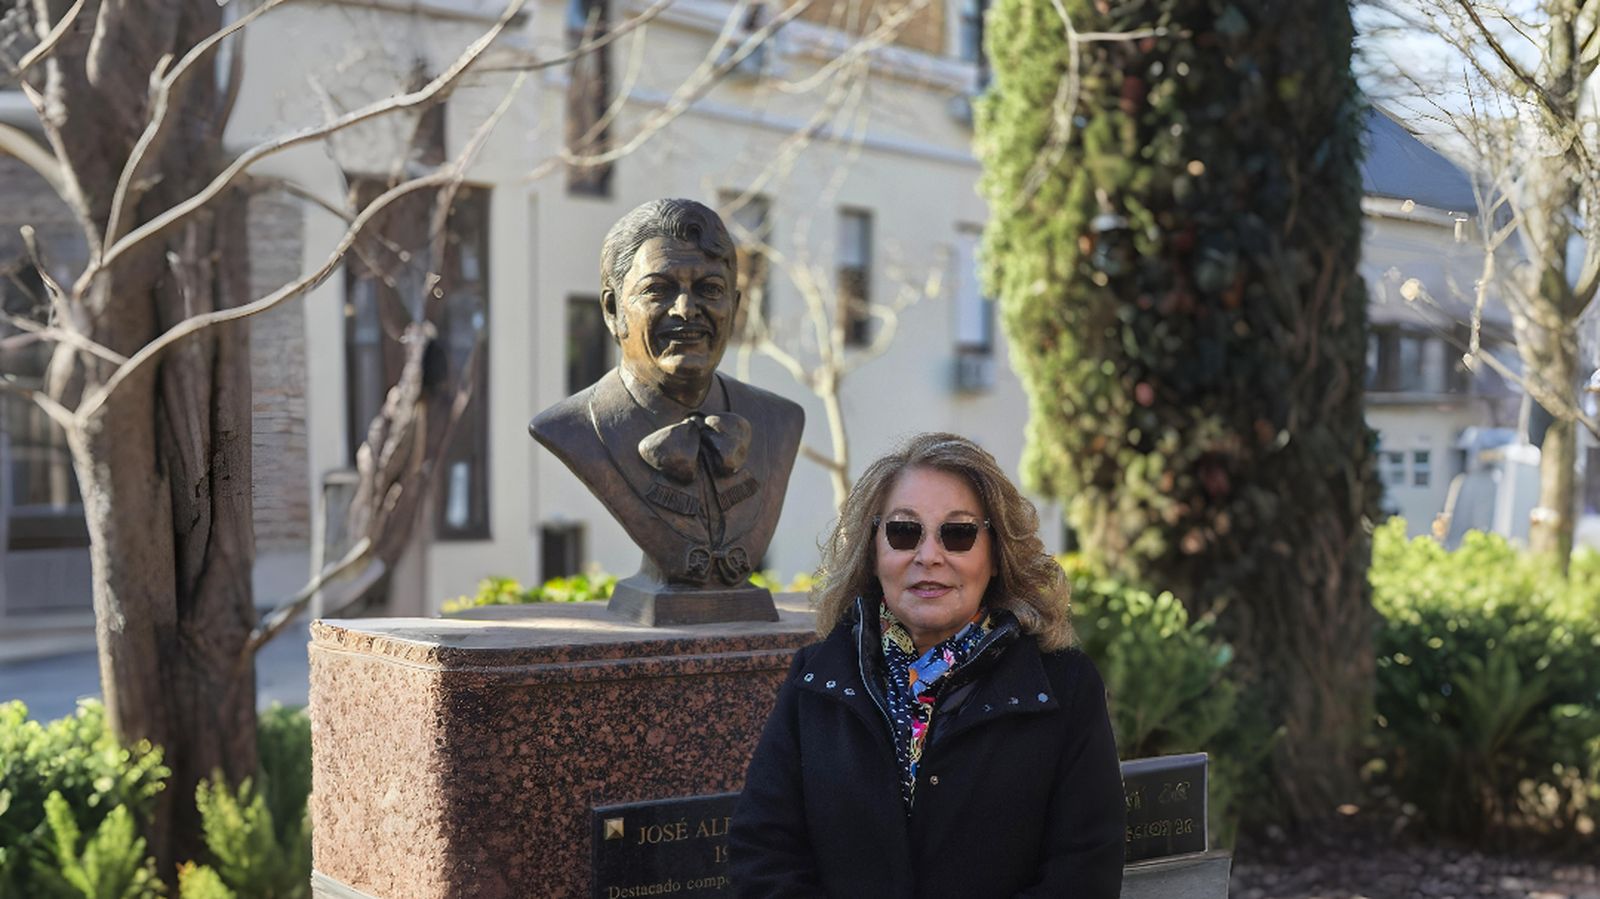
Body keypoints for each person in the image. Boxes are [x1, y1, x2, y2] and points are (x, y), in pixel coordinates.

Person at [729, 432, 1125, 897]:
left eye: (958, 534)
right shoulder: (815, 677)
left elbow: (1083, 873)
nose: (929, 555)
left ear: (995, 555)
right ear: (873, 550)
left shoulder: (1065, 685)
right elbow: (762, 854)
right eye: (904, 531)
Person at [529, 199, 803, 591]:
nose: (687, 309)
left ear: (735, 306)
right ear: (612, 310)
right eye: (659, 289)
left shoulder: (780, 420)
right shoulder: (570, 428)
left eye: (710, 289)